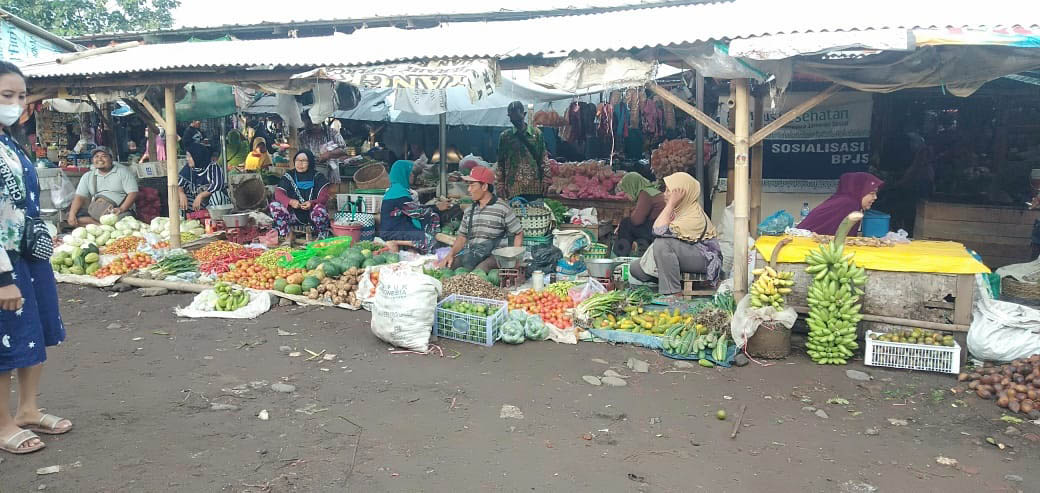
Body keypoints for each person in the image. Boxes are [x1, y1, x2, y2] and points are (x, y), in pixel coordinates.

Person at [0, 61, 70, 455]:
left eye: (21, 95)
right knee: (5, 340)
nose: (16, 103)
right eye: (6, 95)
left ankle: (28, 409)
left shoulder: (10, 142)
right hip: (4, 261)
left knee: (32, 332)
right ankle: (2, 423)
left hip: (28, 257)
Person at [629, 172, 722, 297]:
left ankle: (673, 293)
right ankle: (668, 281)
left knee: (662, 244)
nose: (665, 195)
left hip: (704, 259)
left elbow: (658, 231)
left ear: (683, 195)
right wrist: (671, 206)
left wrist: (671, 203)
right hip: (684, 255)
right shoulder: (678, 211)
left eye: (669, 191)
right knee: (636, 268)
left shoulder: (693, 215)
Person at [436, 165, 523, 272]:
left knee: (479, 272)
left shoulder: (502, 208)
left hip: (495, 256)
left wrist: (515, 258)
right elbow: (462, 237)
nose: (469, 189)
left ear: (484, 187)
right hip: (474, 254)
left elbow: (518, 232)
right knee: (446, 267)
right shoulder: (469, 210)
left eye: (472, 185)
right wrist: (450, 255)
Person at [379, 160, 448, 254]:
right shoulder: (398, 192)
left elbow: (413, 208)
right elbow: (416, 212)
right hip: (392, 232)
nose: (413, 176)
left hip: (399, 228)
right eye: (410, 173)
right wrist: (437, 208)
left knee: (425, 227)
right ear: (404, 174)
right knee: (429, 239)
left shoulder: (397, 189)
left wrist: (434, 206)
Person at [67, 146, 139, 226]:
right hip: (97, 211)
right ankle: (99, 224)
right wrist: (72, 214)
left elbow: (133, 193)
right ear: (92, 160)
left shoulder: (123, 172)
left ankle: (98, 225)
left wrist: (121, 209)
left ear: (111, 159)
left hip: (117, 211)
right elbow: (79, 197)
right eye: (96, 157)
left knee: (120, 224)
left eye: (104, 156)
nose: (99, 159)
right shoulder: (88, 176)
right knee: (73, 218)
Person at [269, 150, 331, 240]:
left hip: (312, 216)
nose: (300, 164)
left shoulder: (318, 177)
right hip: (293, 216)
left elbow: (324, 197)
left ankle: (321, 235)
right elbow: (278, 193)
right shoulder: (288, 176)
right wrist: (290, 201)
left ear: (310, 162)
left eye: (304, 161)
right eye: (297, 160)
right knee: (274, 205)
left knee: (320, 209)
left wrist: (312, 203)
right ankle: (286, 234)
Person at [798, 172, 883, 236]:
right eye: (871, 193)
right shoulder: (849, 204)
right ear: (859, 190)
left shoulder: (846, 201)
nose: (875, 197)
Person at [497, 101, 548, 199]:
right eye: (512, 119)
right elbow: (500, 162)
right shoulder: (505, 137)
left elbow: (543, 158)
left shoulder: (537, 134)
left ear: (524, 115)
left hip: (534, 186)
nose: (515, 121)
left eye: (518, 118)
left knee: (535, 213)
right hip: (512, 187)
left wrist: (546, 179)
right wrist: (500, 184)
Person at [613, 172, 665, 257]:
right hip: (658, 228)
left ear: (632, 186)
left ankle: (622, 253)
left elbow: (636, 221)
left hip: (655, 230)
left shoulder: (646, 193)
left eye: (626, 190)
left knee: (625, 223)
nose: (626, 194)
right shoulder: (652, 190)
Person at [177, 143, 231, 211]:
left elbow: (217, 186)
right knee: (179, 198)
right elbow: (180, 185)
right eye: (187, 156)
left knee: (217, 195)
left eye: (190, 156)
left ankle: (218, 219)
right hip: (198, 205)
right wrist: (181, 194)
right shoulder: (188, 169)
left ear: (197, 156)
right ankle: (189, 219)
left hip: (216, 205)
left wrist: (201, 195)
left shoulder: (213, 167)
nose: (187, 159)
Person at [298, 113, 348, 183]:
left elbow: (344, 150)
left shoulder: (332, 133)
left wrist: (329, 154)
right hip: (311, 177)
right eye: (306, 124)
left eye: (312, 124)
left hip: (332, 177)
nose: (309, 127)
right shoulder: (302, 136)